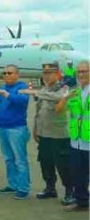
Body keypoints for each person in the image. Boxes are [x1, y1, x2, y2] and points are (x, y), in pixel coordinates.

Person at [25, 63, 74, 205]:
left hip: (59, 135)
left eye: (50, 73)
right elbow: (39, 111)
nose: (47, 76)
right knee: (46, 163)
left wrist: (37, 93)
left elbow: (58, 100)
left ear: (58, 74)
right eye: (45, 73)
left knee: (63, 165)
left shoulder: (64, 88)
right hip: (44, 133)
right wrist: (35, 129)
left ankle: (70, 192)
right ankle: (50, 188)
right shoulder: (44, 89)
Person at [0, 65, 31, 200]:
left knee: (20, 160)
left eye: (10, 73)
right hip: (3, 128)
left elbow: (22, 101)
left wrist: (5, 94)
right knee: (8, 159)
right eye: (4, 73)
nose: (6, 75)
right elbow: (0, 109)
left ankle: (23, 188)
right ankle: (13, 184)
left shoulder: (22, 87)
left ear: (17, 74)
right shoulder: (3, 87)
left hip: (16, 129)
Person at [56, 60, 89, 212]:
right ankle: (81, 202)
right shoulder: (75, 92)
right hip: (76, 141)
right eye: (79, 72)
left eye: (85, 71)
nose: (81, 74)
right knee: (78, 175)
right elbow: (59, 110)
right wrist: (65, 97)